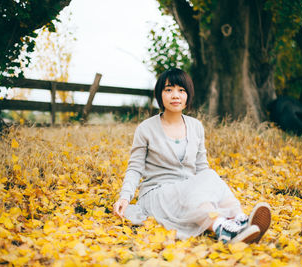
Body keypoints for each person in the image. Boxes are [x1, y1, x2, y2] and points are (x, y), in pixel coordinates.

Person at [113, 68, 271, 244]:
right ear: (160, 94)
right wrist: (125, 197)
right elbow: (135, 168)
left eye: (182, 90)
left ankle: (239, 219)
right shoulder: (146, 128)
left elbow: (202, 168)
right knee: (193, 192)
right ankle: (222, 228)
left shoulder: (196, 126)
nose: (175, 95)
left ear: (188, 95)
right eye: (169, 90)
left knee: (209, 176)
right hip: (157, 194)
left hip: (188, 190)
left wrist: (209, 187)